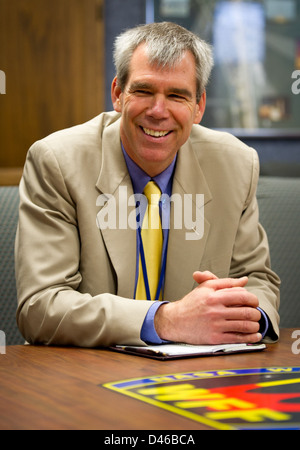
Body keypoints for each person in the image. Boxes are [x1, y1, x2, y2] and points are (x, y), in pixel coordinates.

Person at [15, 22, 280, 348]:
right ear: (117, 94)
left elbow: (257, 280)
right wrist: (166, 319)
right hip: (85, 377)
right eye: (143, 91)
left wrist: (242, 317)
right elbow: (40, 306)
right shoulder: (57, 161)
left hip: (198, 374)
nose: (158, 111)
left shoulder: (236, 165)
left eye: (177, 95)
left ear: (199, 107)